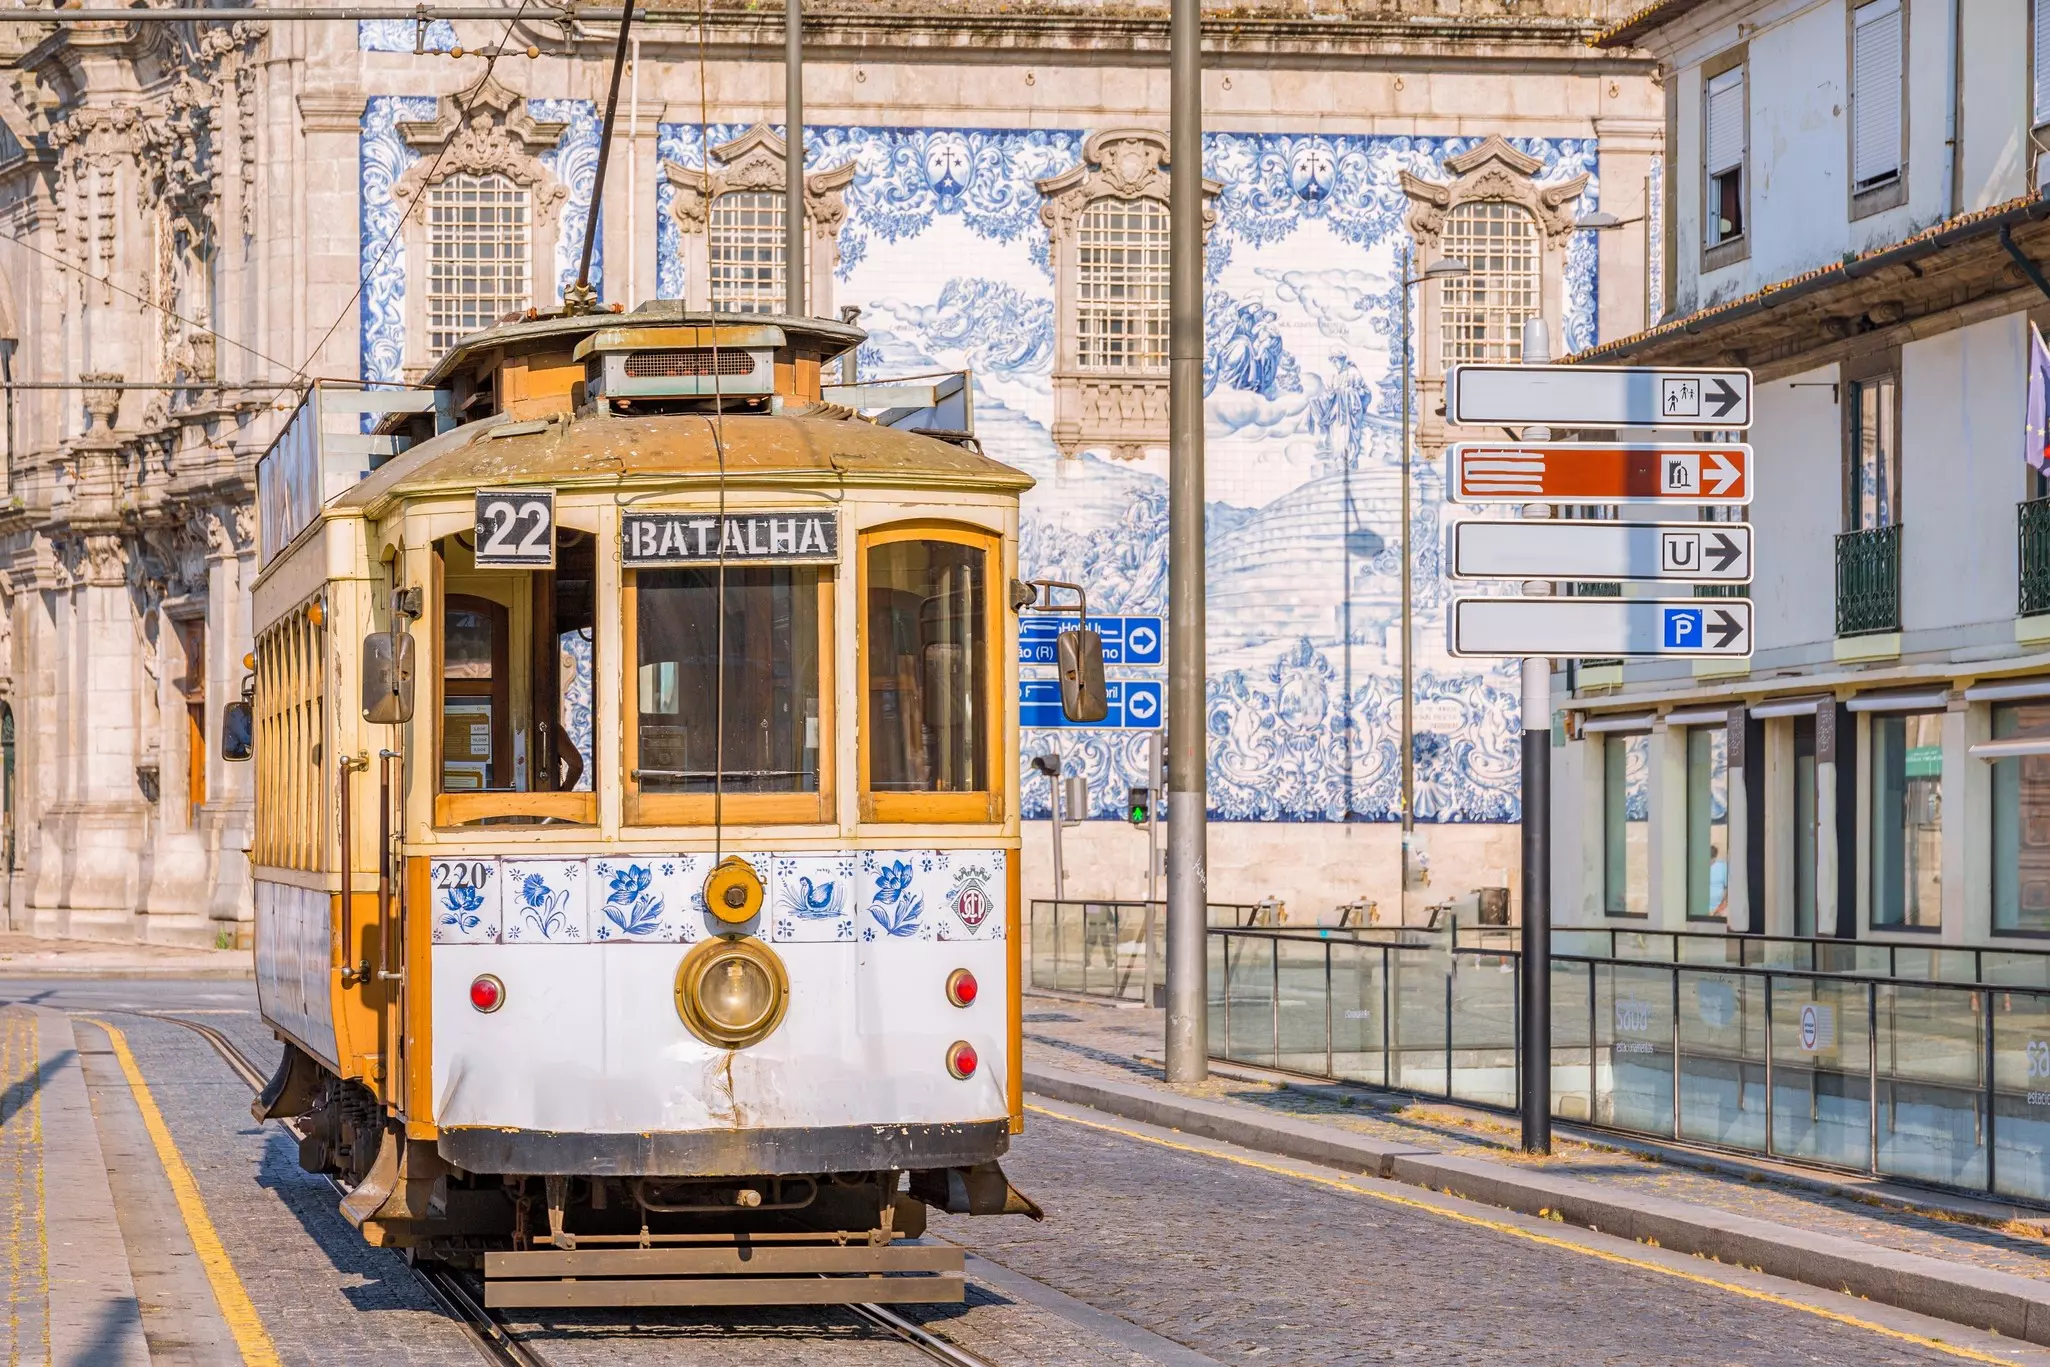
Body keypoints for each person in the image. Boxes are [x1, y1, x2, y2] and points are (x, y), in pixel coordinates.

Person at [1707, 844, 1729, 919]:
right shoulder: (1698, 867)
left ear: (1714, 858)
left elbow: (1727, 889)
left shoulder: (1723, 866)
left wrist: (1720, 908)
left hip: (1719, 910)